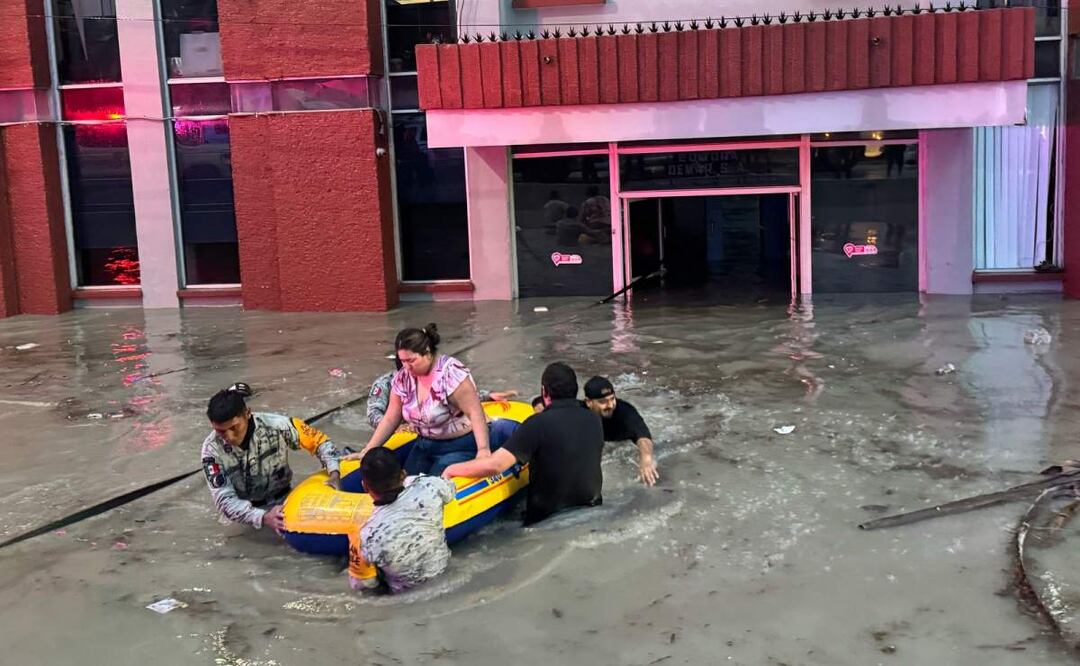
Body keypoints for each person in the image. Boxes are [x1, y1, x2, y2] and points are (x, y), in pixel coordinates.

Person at [442, 363, 603, 526]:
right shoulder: (594, 419)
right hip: (592, 510)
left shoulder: (537, 424)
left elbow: (495, 465)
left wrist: (451, 469)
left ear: (544, 393)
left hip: (546, 521)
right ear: (576, 390)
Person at [347, 324, 504, 476]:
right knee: (407, 483)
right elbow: (390, 418)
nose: (407, 367)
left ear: (427, 352)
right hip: (424, 444)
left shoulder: (450, 374)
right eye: (402, 361)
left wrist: (483, 451)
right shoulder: (403, 378)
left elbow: (475, 412)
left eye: (411, 360)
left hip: (461, 444)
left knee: (435, 483)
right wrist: (368, 450)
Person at [200, 383, 342, 533]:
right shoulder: (211, 451)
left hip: (285, 499)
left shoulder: (278, 425)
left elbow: (319, 442)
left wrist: (334, 473)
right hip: (244, 516)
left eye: (234, 427)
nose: (229, 437)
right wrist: (264, 517)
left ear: (248, 414)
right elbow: (225, 501)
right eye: (220, 431)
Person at [347, 447, 456, 594]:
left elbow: (363, 584)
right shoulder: (430, 487)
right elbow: (450, 489)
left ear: (365, 487)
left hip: (405, 596)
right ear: (403, 474)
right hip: (444, 575)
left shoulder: (366, 535)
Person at [366, 357, 517, 430]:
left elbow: (452, 396)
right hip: (397, 431)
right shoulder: (385, 384)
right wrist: (396, 427)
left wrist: (487, 395)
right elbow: (373, 414)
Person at [583, 376, 659, 487]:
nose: (610, 405)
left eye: (612, 399)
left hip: (620, 443)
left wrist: (646, 458)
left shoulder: (625, 412)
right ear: (589, 403)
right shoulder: (579, 412)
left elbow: (643, 436)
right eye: (603, 401)